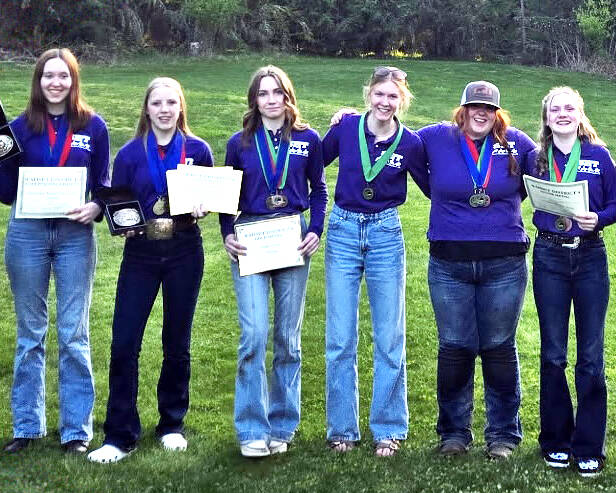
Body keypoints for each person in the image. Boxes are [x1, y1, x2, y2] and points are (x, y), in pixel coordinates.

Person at [0, 48, 109, 455]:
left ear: (73, 81)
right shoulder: (17, 128)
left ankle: (75, 432)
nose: (56, 83)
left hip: (73, 236)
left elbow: (102, 182)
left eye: (63, 76)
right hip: (27, 234)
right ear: (38, 81)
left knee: (74, 333)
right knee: (30, 333)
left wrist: (96, 206)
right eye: (49, 76)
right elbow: (5, 193)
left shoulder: (93, 126)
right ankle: (27, 427)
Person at [87, 77, 214, 464]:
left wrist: (205, 205)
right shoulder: (128, 154)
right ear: (146, 109)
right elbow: (118, 202)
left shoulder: (198, 150)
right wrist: (120, 221)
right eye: (156, 103)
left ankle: (171, 424)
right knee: (125, 341)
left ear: (181, 108)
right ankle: (119, 434)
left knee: (177, 341)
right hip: (141, 253)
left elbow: (210, 195)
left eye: (171, 103)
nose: (164, 109)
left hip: (184, 249)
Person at [417, 81, 536, 460]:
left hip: (504, 262)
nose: (480, 113)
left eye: (488, 108)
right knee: (455, 347)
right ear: (463, 108)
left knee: (499, 348)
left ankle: (502, 436)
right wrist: (351, 118)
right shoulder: (436, 137)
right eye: (474, 106)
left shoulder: (517, 143)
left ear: (497, 112)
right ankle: (453, 433)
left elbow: (545, 170)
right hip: (449, 262)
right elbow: (393, 138)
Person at [320, 66, 427, 457]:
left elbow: (436, 187)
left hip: (385, 233)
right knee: (340, 337)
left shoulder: (410, 143)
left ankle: (388, 427)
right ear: (369, 94)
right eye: (379, 94)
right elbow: (311, 162)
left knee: (389, 336)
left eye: (393, 97)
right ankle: (342, 430)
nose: (385, 102)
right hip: (344, 230)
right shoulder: (346, 129)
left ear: (402, 101)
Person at [221, 65, 326, 458]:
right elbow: (227, 194)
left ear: (287, 97)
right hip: (250, 237)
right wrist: (226, 233)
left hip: (293, 238)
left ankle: (282, 424)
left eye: (277, 92)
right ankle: (251, 428)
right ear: (254, 99)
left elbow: (319, 189)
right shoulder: (240, 143)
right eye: (262, 93)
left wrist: (315, 228)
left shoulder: (308, 139)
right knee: (254, 335)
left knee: (288, 338)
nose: (270, 100)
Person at [525, 87, 616, 477]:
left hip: (589, 255)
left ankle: (588, 444)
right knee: (552, 353)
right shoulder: (535, 157)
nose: (562, 114)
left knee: (591, 355)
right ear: (546, 118)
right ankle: (555, 439)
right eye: (555, 109)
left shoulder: (598, 155)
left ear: (581, 115)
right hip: (548, 255)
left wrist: (600, 218)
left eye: (570, 108)